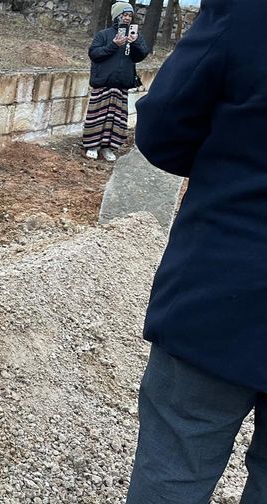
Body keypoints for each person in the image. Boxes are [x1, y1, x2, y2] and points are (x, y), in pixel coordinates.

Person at [126, 1, 267, 502]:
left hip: (223, 287)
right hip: (223, 292)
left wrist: (226, 172)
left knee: (174, 471)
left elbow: (163, 124)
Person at [82, 2, 148, 162]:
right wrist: (113, 45)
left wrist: (136, 42)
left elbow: (141, 55)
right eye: (123, 15)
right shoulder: (103, 35)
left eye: (129, 15)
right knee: (98, 116)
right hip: (103, 84)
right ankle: (92, 145)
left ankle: (108, 148)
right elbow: (94, 54)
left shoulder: (133, 37)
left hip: (121, 85)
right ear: (116, 16)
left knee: (116, 120)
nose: (126, 18)